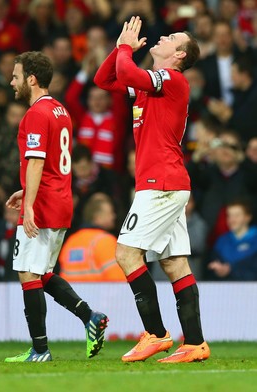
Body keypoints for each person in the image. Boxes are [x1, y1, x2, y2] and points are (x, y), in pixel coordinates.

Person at [94, 16, 210, 363]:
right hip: (165, 182)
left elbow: (127, 73)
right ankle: (195, 344)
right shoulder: (149, 86)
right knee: (174, 263)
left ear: (178, 55)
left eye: (172, 37)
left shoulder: (172, 80)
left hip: (160, 183)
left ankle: (156, 334)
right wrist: (119, 49)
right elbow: (106, 78)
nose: (162, 36)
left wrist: (126, 50)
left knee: (126, 254)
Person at [4, 51, 108, 363]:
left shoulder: (35, 114)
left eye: (16, 76)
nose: (12, 82)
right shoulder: (61, 111)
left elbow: (36, 161)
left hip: (45, 204)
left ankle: (40, 350)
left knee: (27, 272)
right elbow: (53, 164)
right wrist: (26, 191)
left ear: (31, 79)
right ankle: (89, 317)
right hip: (60, 199)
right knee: (43, 272)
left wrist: (31, 204)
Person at [58, 193, 126, 282]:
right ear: (97, 218)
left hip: (71, 294)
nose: (113, 216)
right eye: (110, 213)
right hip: (98, 294)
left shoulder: (71, 240)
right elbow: (118, 281)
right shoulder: (105, 241)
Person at [207, 199, 257, 280]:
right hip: (225, 290)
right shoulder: (221, 241)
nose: (232, 220)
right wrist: (217, 271)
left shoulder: (255, 239)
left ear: (248, 217)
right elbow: (211, 270)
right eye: (229, 215)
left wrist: (230, 270)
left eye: (237, 215)